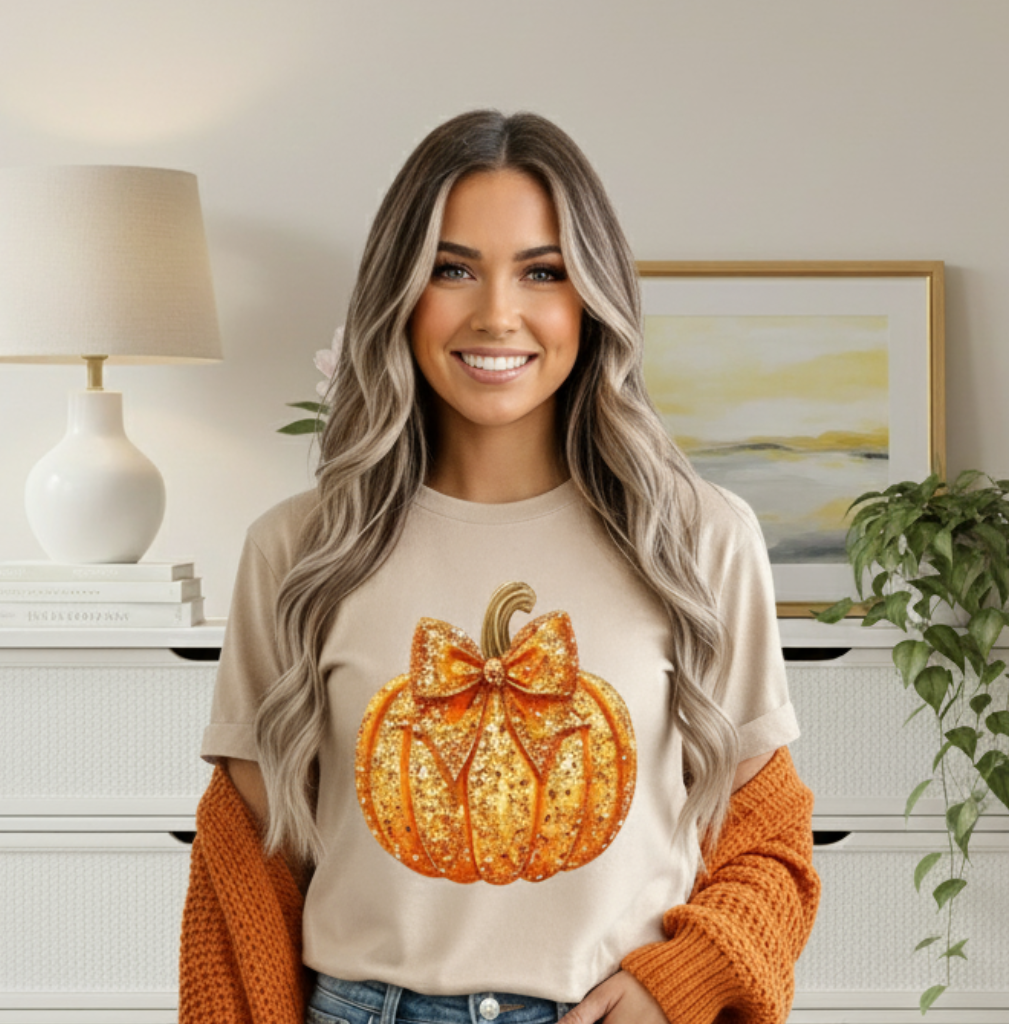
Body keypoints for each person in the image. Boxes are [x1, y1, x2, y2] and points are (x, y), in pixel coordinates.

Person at [187, 108, 820, 1024]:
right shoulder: (298, 551)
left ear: (590, 298)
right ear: (398, 293)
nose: (496, 314)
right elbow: (243, 883)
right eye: (452, 269)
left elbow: (770, 841)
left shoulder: (697, 538)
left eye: (542, 272)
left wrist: (673, 984)